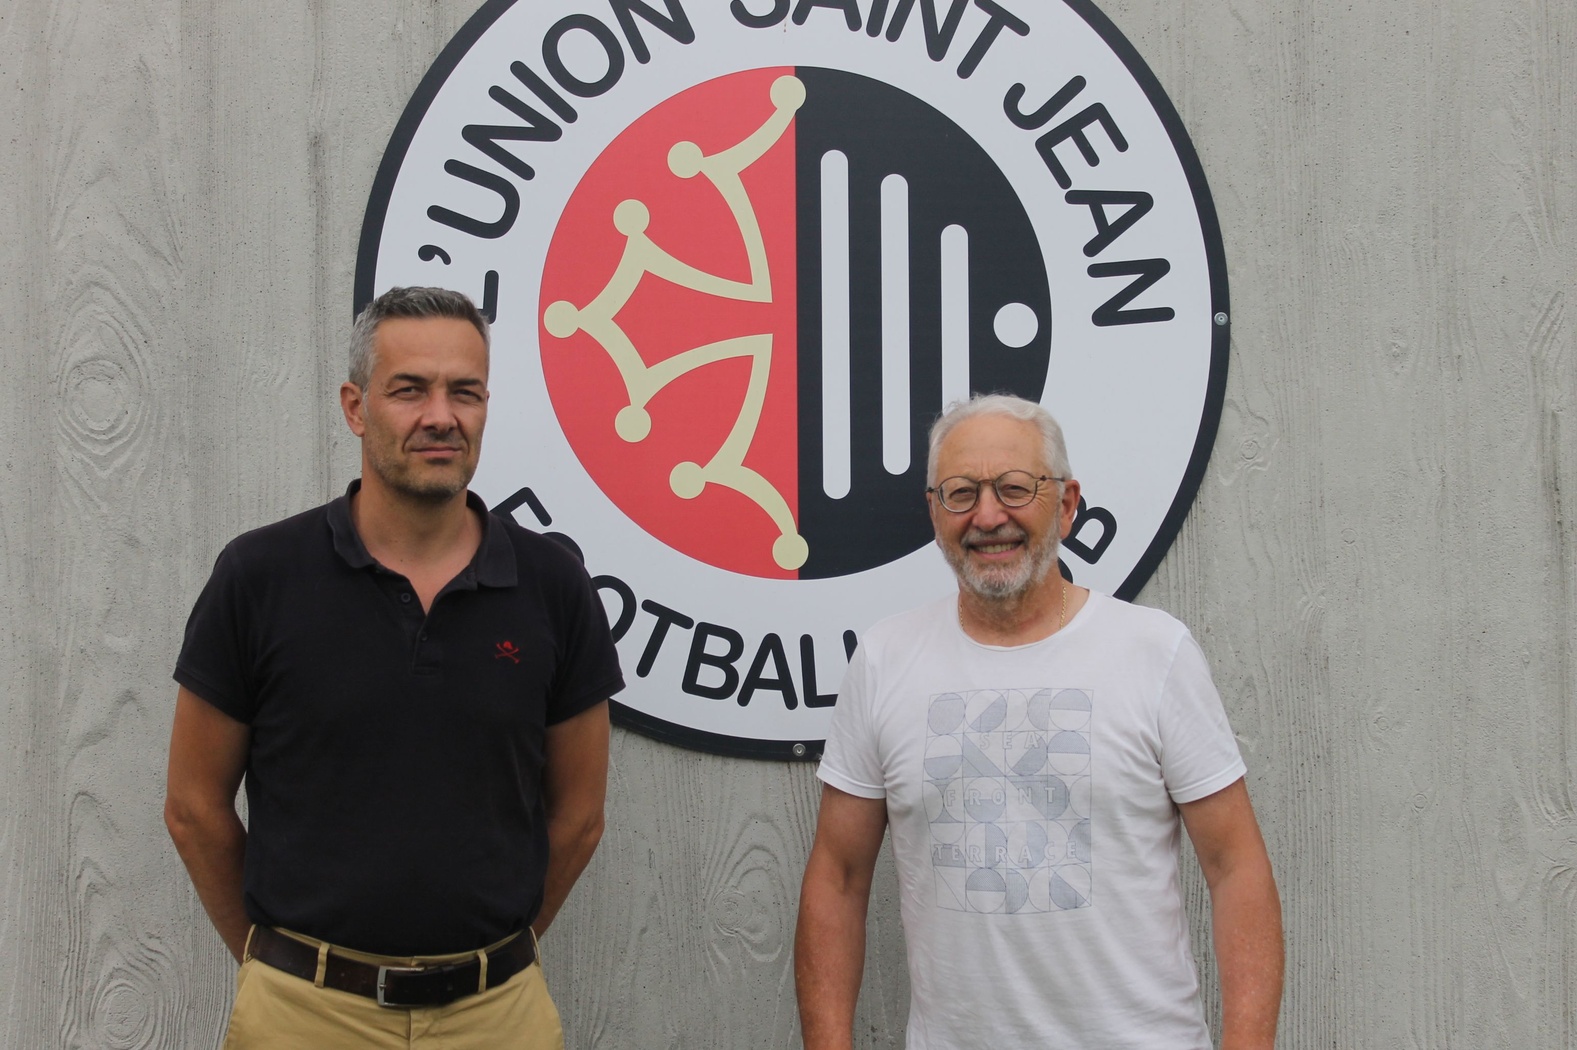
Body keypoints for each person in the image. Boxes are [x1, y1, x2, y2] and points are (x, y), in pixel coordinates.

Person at [164, 286, 624, 1049]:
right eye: (409, 390)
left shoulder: (553, 586)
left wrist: (496, 954)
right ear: (355, 407)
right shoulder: (259, 576)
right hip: (304, 1016)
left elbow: (578, 815)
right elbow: (193, 806)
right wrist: (271, 966)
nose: (439, 415)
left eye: (464, 392)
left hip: (496, 1017)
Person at [794, 394, 1282, 1050]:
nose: (987, 516)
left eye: (1014, 488)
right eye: (960, 493)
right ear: (933, 512)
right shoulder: (885, 660)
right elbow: (837, 876)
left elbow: (1235, 866)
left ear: (1067, 501)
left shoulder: (1153, 653)